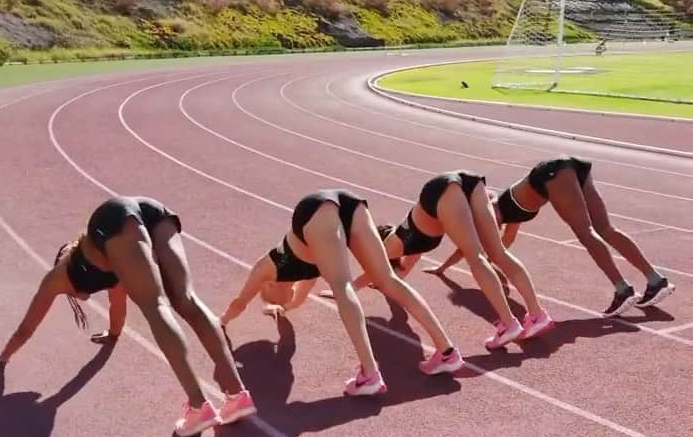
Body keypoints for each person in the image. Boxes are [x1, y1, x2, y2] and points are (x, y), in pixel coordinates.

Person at [0, 195, 255, 437]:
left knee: (156, 305)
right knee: (186, 300)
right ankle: (237, 395)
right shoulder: (113, 267)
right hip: (152, 211)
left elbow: (26, 328)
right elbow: (117, 307)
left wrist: (3, 357)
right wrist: (112, 334)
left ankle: (199, 408)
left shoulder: (57, 278)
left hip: (113, 219)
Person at [220, 188, 466, 395]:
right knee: (388, 279)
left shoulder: (265, 268)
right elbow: (295, 301)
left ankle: (370, 374)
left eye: (270, 299)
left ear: (269, 286)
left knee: (343, 285)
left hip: (314, 211)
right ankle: (447, 351)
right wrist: (282, 309)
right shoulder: (306, 277)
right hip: (350, 204)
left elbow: (239, 303)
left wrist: (220, 323)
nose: (275, 301)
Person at [429, 157, 675, 316]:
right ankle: (655, 280)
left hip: (550, 174)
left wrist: (451, 265)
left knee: (586, 232)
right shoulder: (508, 218)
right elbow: (503, 244)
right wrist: (452, 267)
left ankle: (623, 290)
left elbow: (470, 247)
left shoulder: (490, 205)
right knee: (604, 229)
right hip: (571, 167)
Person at [345, 172, 553, 350]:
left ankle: (509, 323)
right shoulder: (410, 247)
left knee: (477, 258)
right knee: (496, 253)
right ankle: (537, 314)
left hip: (442, 190)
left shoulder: (394, 242)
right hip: (470, 182)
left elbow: (377, 271)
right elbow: (397, 279)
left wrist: (348, 289)